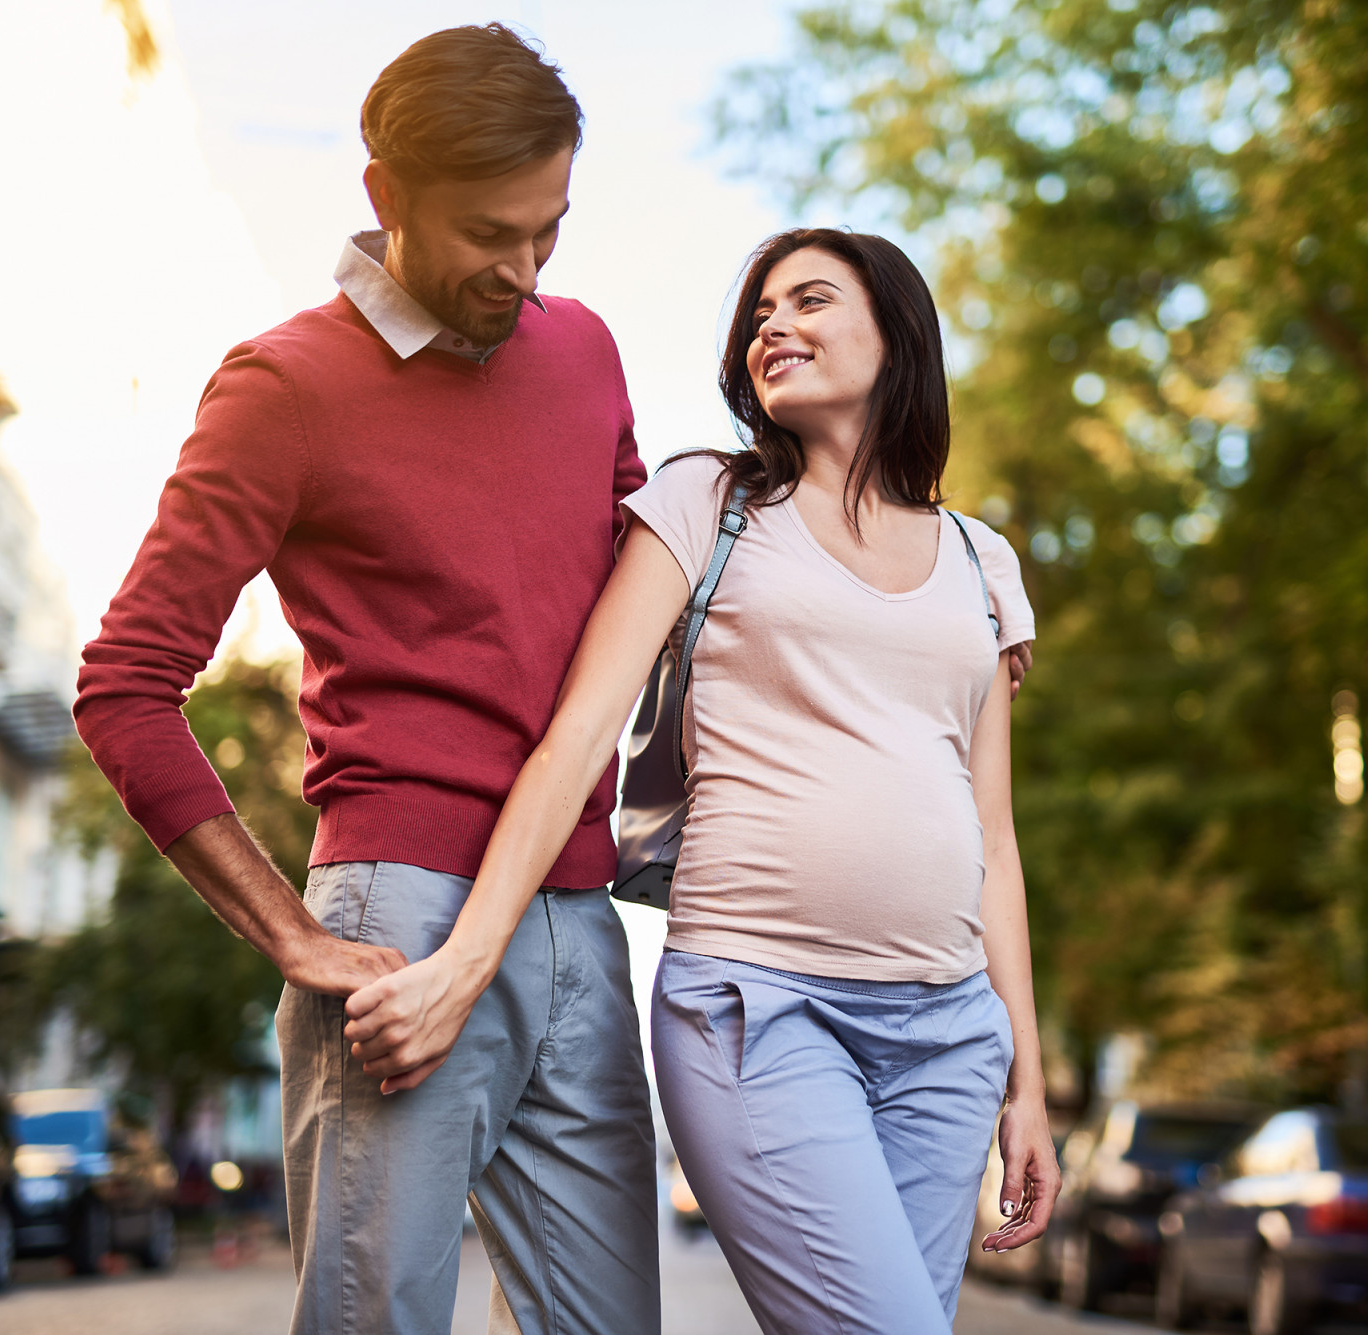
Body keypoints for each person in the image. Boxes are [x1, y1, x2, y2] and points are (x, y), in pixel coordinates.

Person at [344, 227, 1059, 1333]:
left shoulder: (979, 561)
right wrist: (466, 959)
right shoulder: (707, 504)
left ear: (897, 332)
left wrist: (1027, 1080)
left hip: (950, 1038)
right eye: (760, 314)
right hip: (761, 1011)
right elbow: (577, 737)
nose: (775, 325)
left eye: (810, 300)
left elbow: (992, 837)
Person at [72, 26, 658, 1335]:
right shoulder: (285, 387)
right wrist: (292, 931)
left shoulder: (589, 354)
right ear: (386, 196)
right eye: (489, 233)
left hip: (579, 911)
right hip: (402, 916)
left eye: (549, 230)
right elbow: (124, 682)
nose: (523, 269)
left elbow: (642, 607)